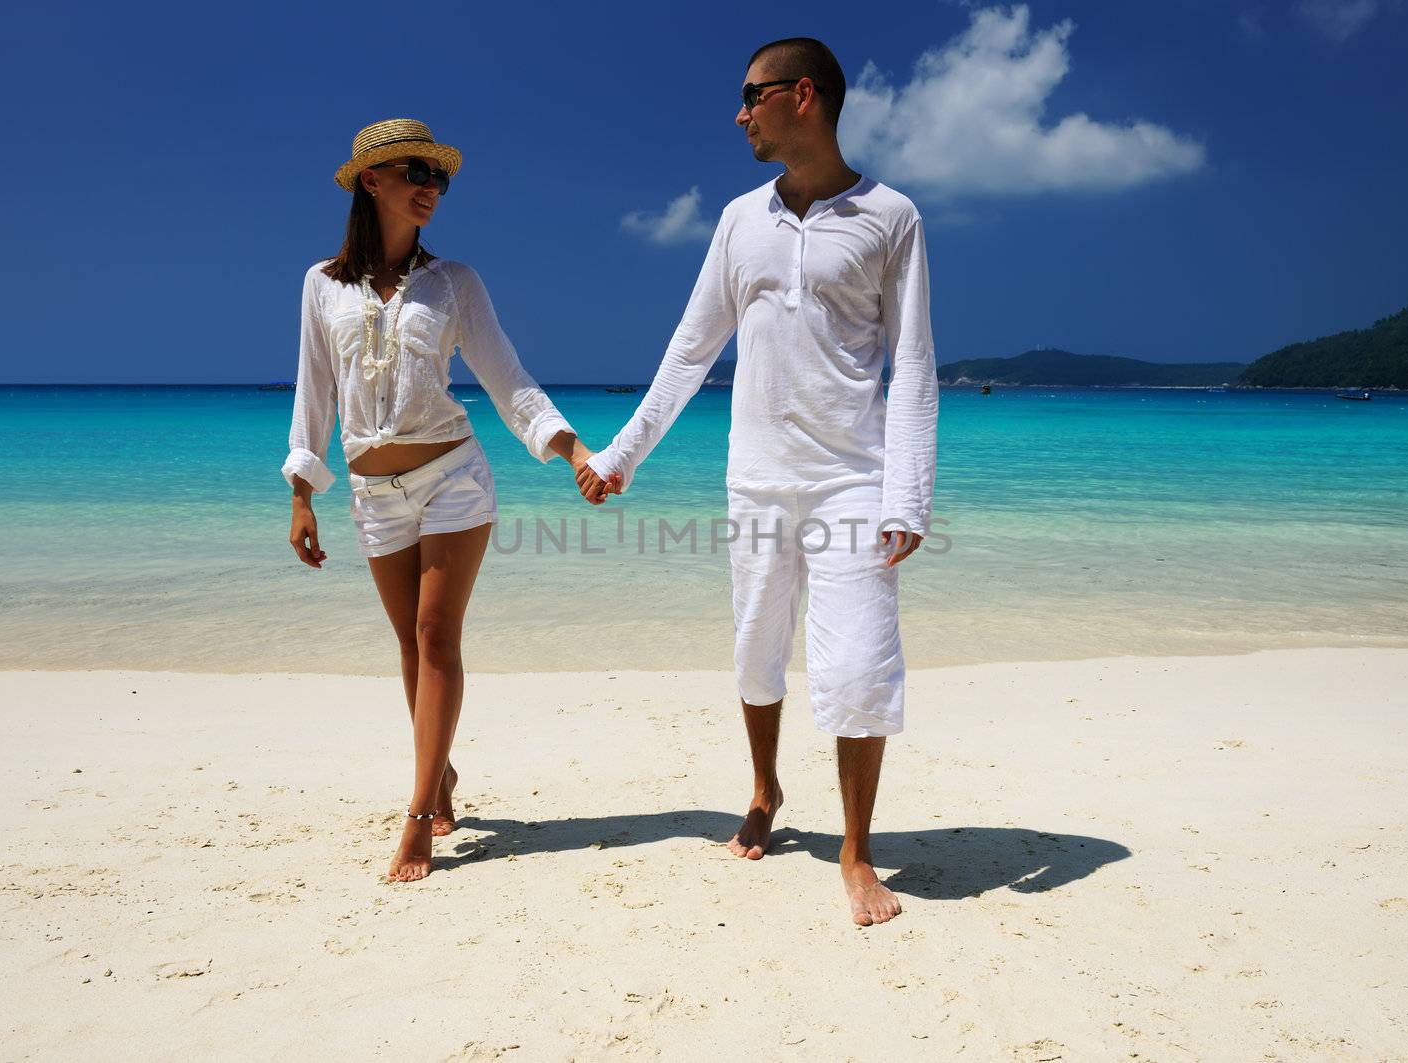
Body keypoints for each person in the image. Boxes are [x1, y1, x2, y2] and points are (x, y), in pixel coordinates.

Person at [578, 39, 938, 926]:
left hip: (853, 479)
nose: (739, 114)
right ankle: (766, 788)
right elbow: (691, 349)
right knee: (754, 650)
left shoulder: (892, 217)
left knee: (856, 666)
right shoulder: (740, 219)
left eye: (751, 97)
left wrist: (908, 497)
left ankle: (856, 851)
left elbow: (916, 364)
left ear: (801, 96)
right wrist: (623, 454)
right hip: (756, 478)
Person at [283, 118, 602, 883]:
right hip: (372, 492)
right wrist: (303, 491)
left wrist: (576, 451)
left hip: (454, 477)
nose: (431, 186)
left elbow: (508, 380)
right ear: (371, 181)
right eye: (414, 172)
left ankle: (420, 811)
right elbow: (314, 391)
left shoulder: (454, 282)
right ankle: (443, 772)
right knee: (407, 644)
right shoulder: (321, 284)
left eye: (440, 176)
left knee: (435, 635)